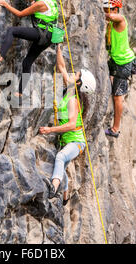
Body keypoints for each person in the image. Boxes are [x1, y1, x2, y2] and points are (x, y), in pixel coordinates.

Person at [39, 44, 96, 205]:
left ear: (78, 84)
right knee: (61, 167)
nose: (73, 74)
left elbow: (71, 125)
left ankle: (53, 187)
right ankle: (65, 197)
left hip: (76, 142)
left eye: (76, 75)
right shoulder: (71, 89)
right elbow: (62, 67)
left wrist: (50, 129)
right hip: (69, 141)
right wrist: (58, 49)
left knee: (61, 157)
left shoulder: (73, 100)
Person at [0, 0, 59, 98]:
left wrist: (5, 4)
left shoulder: (39, 4)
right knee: (27, 62)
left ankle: (1, 55)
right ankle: (19, 92)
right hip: (50, 36)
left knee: (12, 31)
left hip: (42, 34)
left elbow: (19, 14)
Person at [103, 0, 136, 138]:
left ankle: (115, 129)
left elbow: (114, 17)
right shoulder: (111, 22)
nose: (106, 11)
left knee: (118, 97)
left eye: (108, 8)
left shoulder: (120, 20)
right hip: (116, 60)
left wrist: (105, 13)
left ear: (116, 9)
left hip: (123, 63)